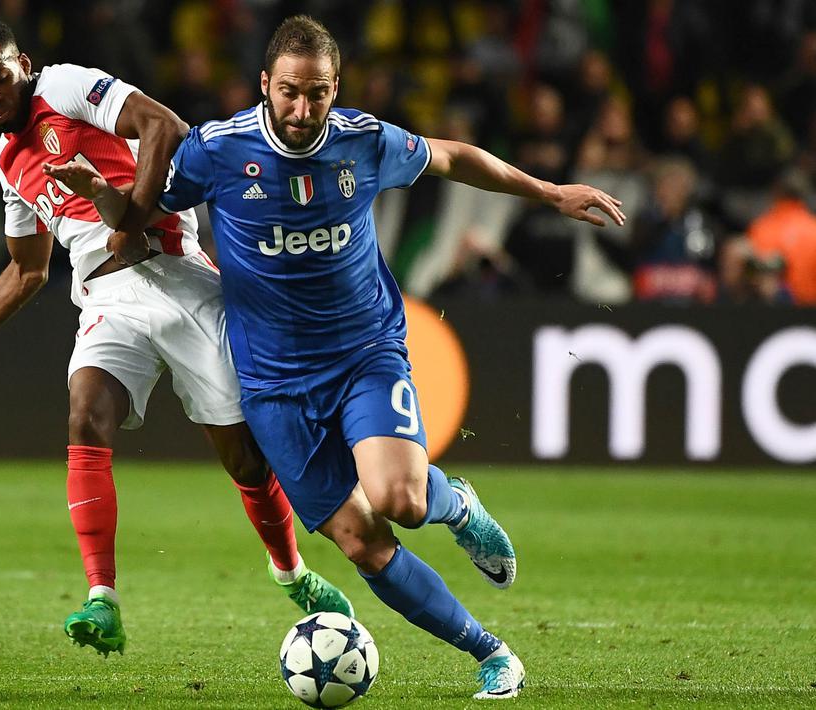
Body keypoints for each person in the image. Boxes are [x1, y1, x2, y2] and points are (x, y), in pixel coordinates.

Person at [47, 15, 625, 699]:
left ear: (334, 88)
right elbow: (141, 218)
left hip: (361, 355)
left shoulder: (364, 140)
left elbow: (454, 156)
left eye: (317, 93)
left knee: (400, 499)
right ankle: (490, 652)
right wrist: (101, 197)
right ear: (265, 85)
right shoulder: (216, 151)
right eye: (289, 92)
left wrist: (549, 191)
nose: (301, 109)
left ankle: (457, 507)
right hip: (270, 385)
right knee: (359, 541)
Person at [0, 18, 351, 657]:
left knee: (245, 459)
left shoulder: (68, 87)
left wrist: (128, 218)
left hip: (182, 278)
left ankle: (289, 570)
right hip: (109, 303)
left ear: (22, 62)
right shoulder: (7, 162)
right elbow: (27, 271)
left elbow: (166, 128)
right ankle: (101, 597)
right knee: (85, 416)